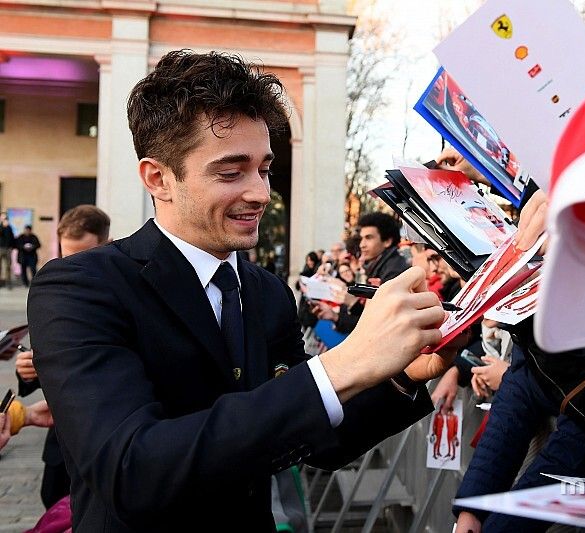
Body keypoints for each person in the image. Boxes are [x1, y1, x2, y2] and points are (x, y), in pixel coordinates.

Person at [28, 50, 453, 533]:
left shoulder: (266, 292)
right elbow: (132, 471)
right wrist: (343, 364)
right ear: (158, 178)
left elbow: (318, 439)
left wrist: (402, 376)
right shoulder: (81, 287)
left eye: (265, 169)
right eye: (231, 172)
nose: (260, 193)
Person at [16, 204, 111, 509]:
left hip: (109, 442)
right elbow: (44, 358)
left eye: (81, 254)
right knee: (53, 506)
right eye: (65, 254)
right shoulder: (56, 290)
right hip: (60, 446)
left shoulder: (125, 291)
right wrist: (28, 369)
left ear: (106, 244)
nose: (70, 264)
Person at [0, 213, 15, 288]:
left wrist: (11, 247)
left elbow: (11, 237)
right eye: (2, 218)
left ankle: (8, 283)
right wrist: (2, 227)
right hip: (0, 248)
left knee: (8, 266)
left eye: (5, 218)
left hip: (8, 249)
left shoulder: (9, 227)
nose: (4, 219)